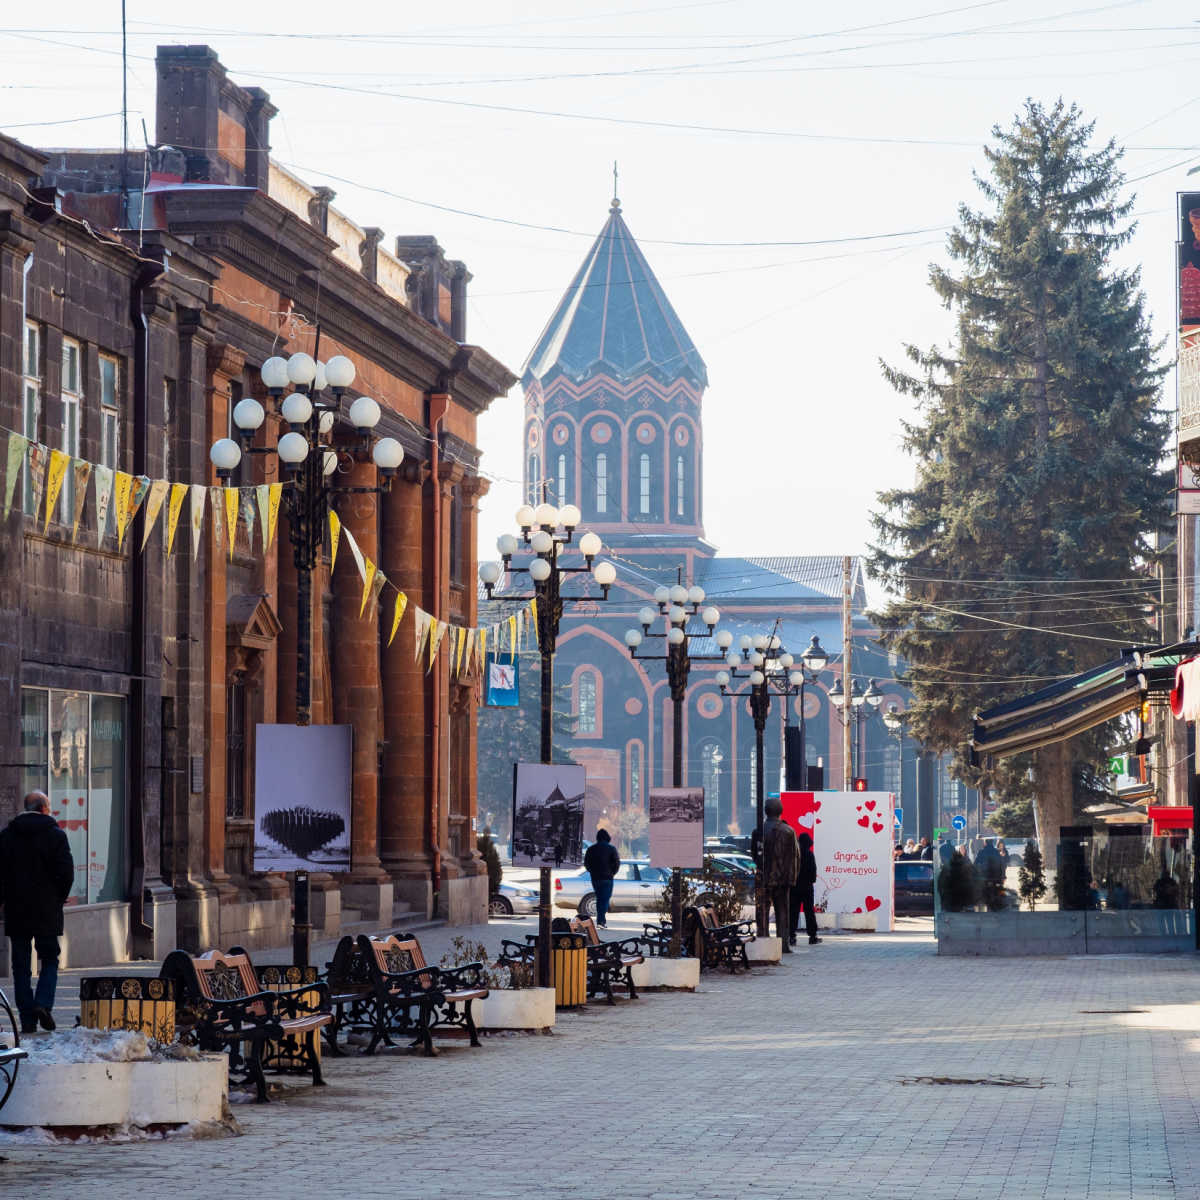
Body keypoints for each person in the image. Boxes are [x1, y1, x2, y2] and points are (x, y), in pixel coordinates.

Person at [0, 792, 74, 1033]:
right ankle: (43, 1003)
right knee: (49, 958)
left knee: (20, 966)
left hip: (17, 909)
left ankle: (27, 1019)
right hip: (46, 910)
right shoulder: (56, 836)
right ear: (43, 809)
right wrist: (57, 899)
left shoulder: (8, 836)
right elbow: (66, 873)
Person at [762, 797, 801, 953]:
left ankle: (763, 939)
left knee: (762, 911)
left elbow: (755, 854)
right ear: (781, 811)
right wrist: (792, 878)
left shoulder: (759, 829)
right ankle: (783, 944)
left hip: (764, 878)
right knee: (783, 912)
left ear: (766, 810)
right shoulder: (789, 831)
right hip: (783, 879)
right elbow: (795, 857)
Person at [582, 828, 620, 927]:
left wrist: (592, 872)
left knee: (600, 898)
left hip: (595, 878)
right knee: (605, 899)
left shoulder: (591, 849)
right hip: (607, 878)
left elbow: (586, 863)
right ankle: (601, 921)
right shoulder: (611, 849)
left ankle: (601, 921)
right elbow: (616, 863)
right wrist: (612, 873)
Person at [790, 830, 821, 946]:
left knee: (793, 911)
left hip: (795, 886)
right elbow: (813, 873)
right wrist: (810, 880)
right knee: (809, 912)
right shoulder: (809, 854)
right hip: (807, 887)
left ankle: (791, 935)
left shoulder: (795, 854)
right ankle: (812, 936)